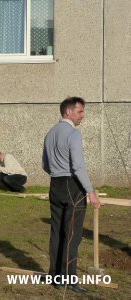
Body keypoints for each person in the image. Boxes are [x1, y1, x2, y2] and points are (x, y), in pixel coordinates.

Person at [42, 97, 101, 293]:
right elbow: (78, 166)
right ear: (68, 112)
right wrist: (90, 191)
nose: (82, 116)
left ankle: (55, 275)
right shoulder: (73, 134)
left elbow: (45, 165)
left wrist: (57, 172)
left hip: (55, 185)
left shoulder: (49, 134)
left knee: (57, 231)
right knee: (72, 235)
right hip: (72, 187)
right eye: (80, 112)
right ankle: (69, 279)